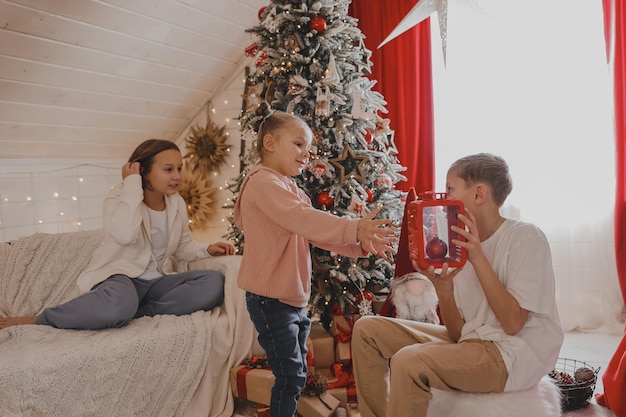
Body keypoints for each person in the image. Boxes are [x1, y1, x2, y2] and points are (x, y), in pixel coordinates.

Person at [351, 153, 564, 417]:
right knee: (366, 330)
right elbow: (457, 334)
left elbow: (513, 323)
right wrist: (444, 289)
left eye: (450, 189)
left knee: (409, 361)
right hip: (474, 342)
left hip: (512, 356)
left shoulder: (525, 237)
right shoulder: (458, 245)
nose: (444, 196)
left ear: (478, 195)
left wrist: (477, 257)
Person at [233, 102, 397, 417]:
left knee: (296, 372)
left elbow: (314, 232)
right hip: (270, 299)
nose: (305, 154)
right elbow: (303, 219)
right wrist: (353, 227)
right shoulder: (262, 183)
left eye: (307, 149)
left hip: (291, 298)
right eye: (298, 144)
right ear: (269, 143)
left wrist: (359, 242)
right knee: (291, 374)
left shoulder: (287, 187)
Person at [0, 139, 235, 331]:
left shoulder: (177, 204)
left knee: (212, 282)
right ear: (143, 170)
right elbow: (124, 235)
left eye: (179, 168)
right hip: (121, 277)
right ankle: (40, 318)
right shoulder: (119, 198)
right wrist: (132, 185)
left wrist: (206, 249)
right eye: (168, 169)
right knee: (117, 306)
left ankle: (139, 312)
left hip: (158, 282)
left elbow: (182, 247)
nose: (177, 176)